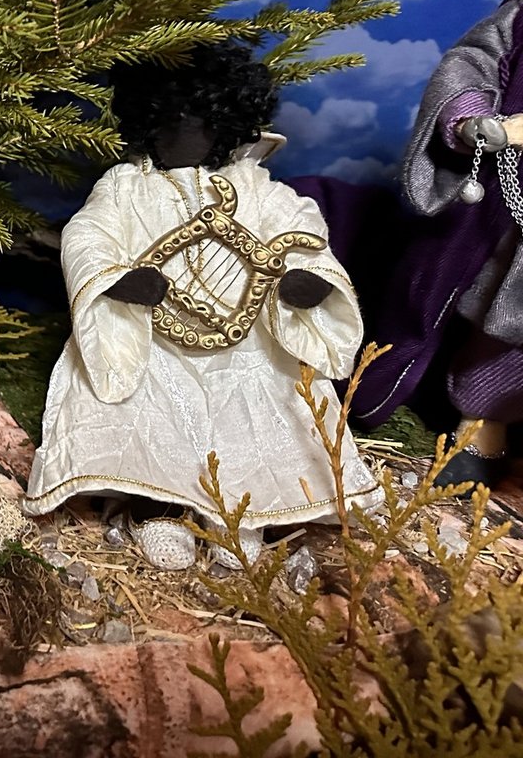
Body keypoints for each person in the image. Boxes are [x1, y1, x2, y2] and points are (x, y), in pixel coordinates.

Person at [23, 42, 380, 570]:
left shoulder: (256, 187)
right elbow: (89, 234)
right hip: (155, 342)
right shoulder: (125, 186)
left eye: (196, 124)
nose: (179, 137)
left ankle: (243, 515)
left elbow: (299, 228)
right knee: (151, 418)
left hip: (252, 342)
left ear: (225, 125)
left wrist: (310, 277)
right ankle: (158, 509)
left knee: (264, 416)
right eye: (167, 123)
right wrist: (117, 280)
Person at [362, 0, 523, 490]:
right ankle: (468, 424)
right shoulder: (520, 17)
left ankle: (490, 431)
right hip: (504, 196)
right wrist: (470, 116)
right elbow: (473, 60)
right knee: (479, 306)